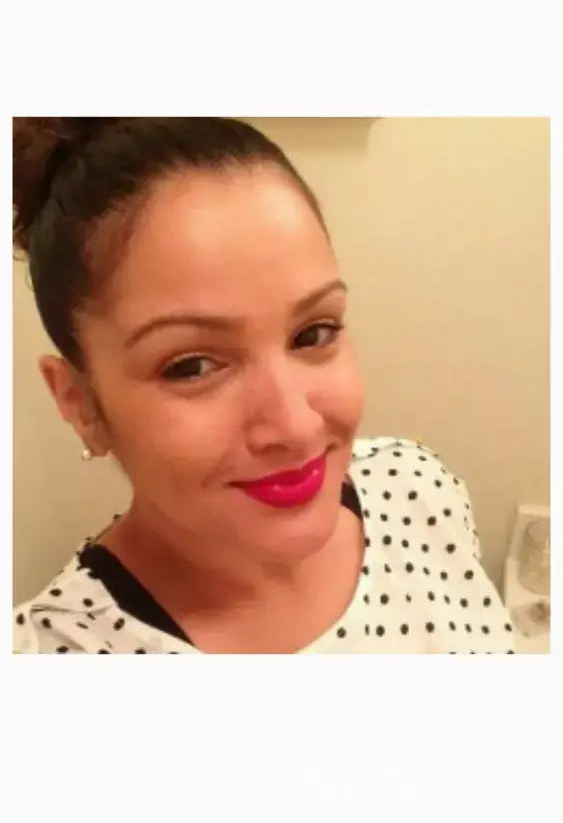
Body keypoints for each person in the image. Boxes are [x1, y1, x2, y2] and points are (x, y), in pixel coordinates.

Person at [12, 117, 516, 654]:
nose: (296, 427)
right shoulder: (55, 649)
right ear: (81, 404)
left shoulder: (418, 491)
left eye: (313, 333)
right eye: (192, 366)